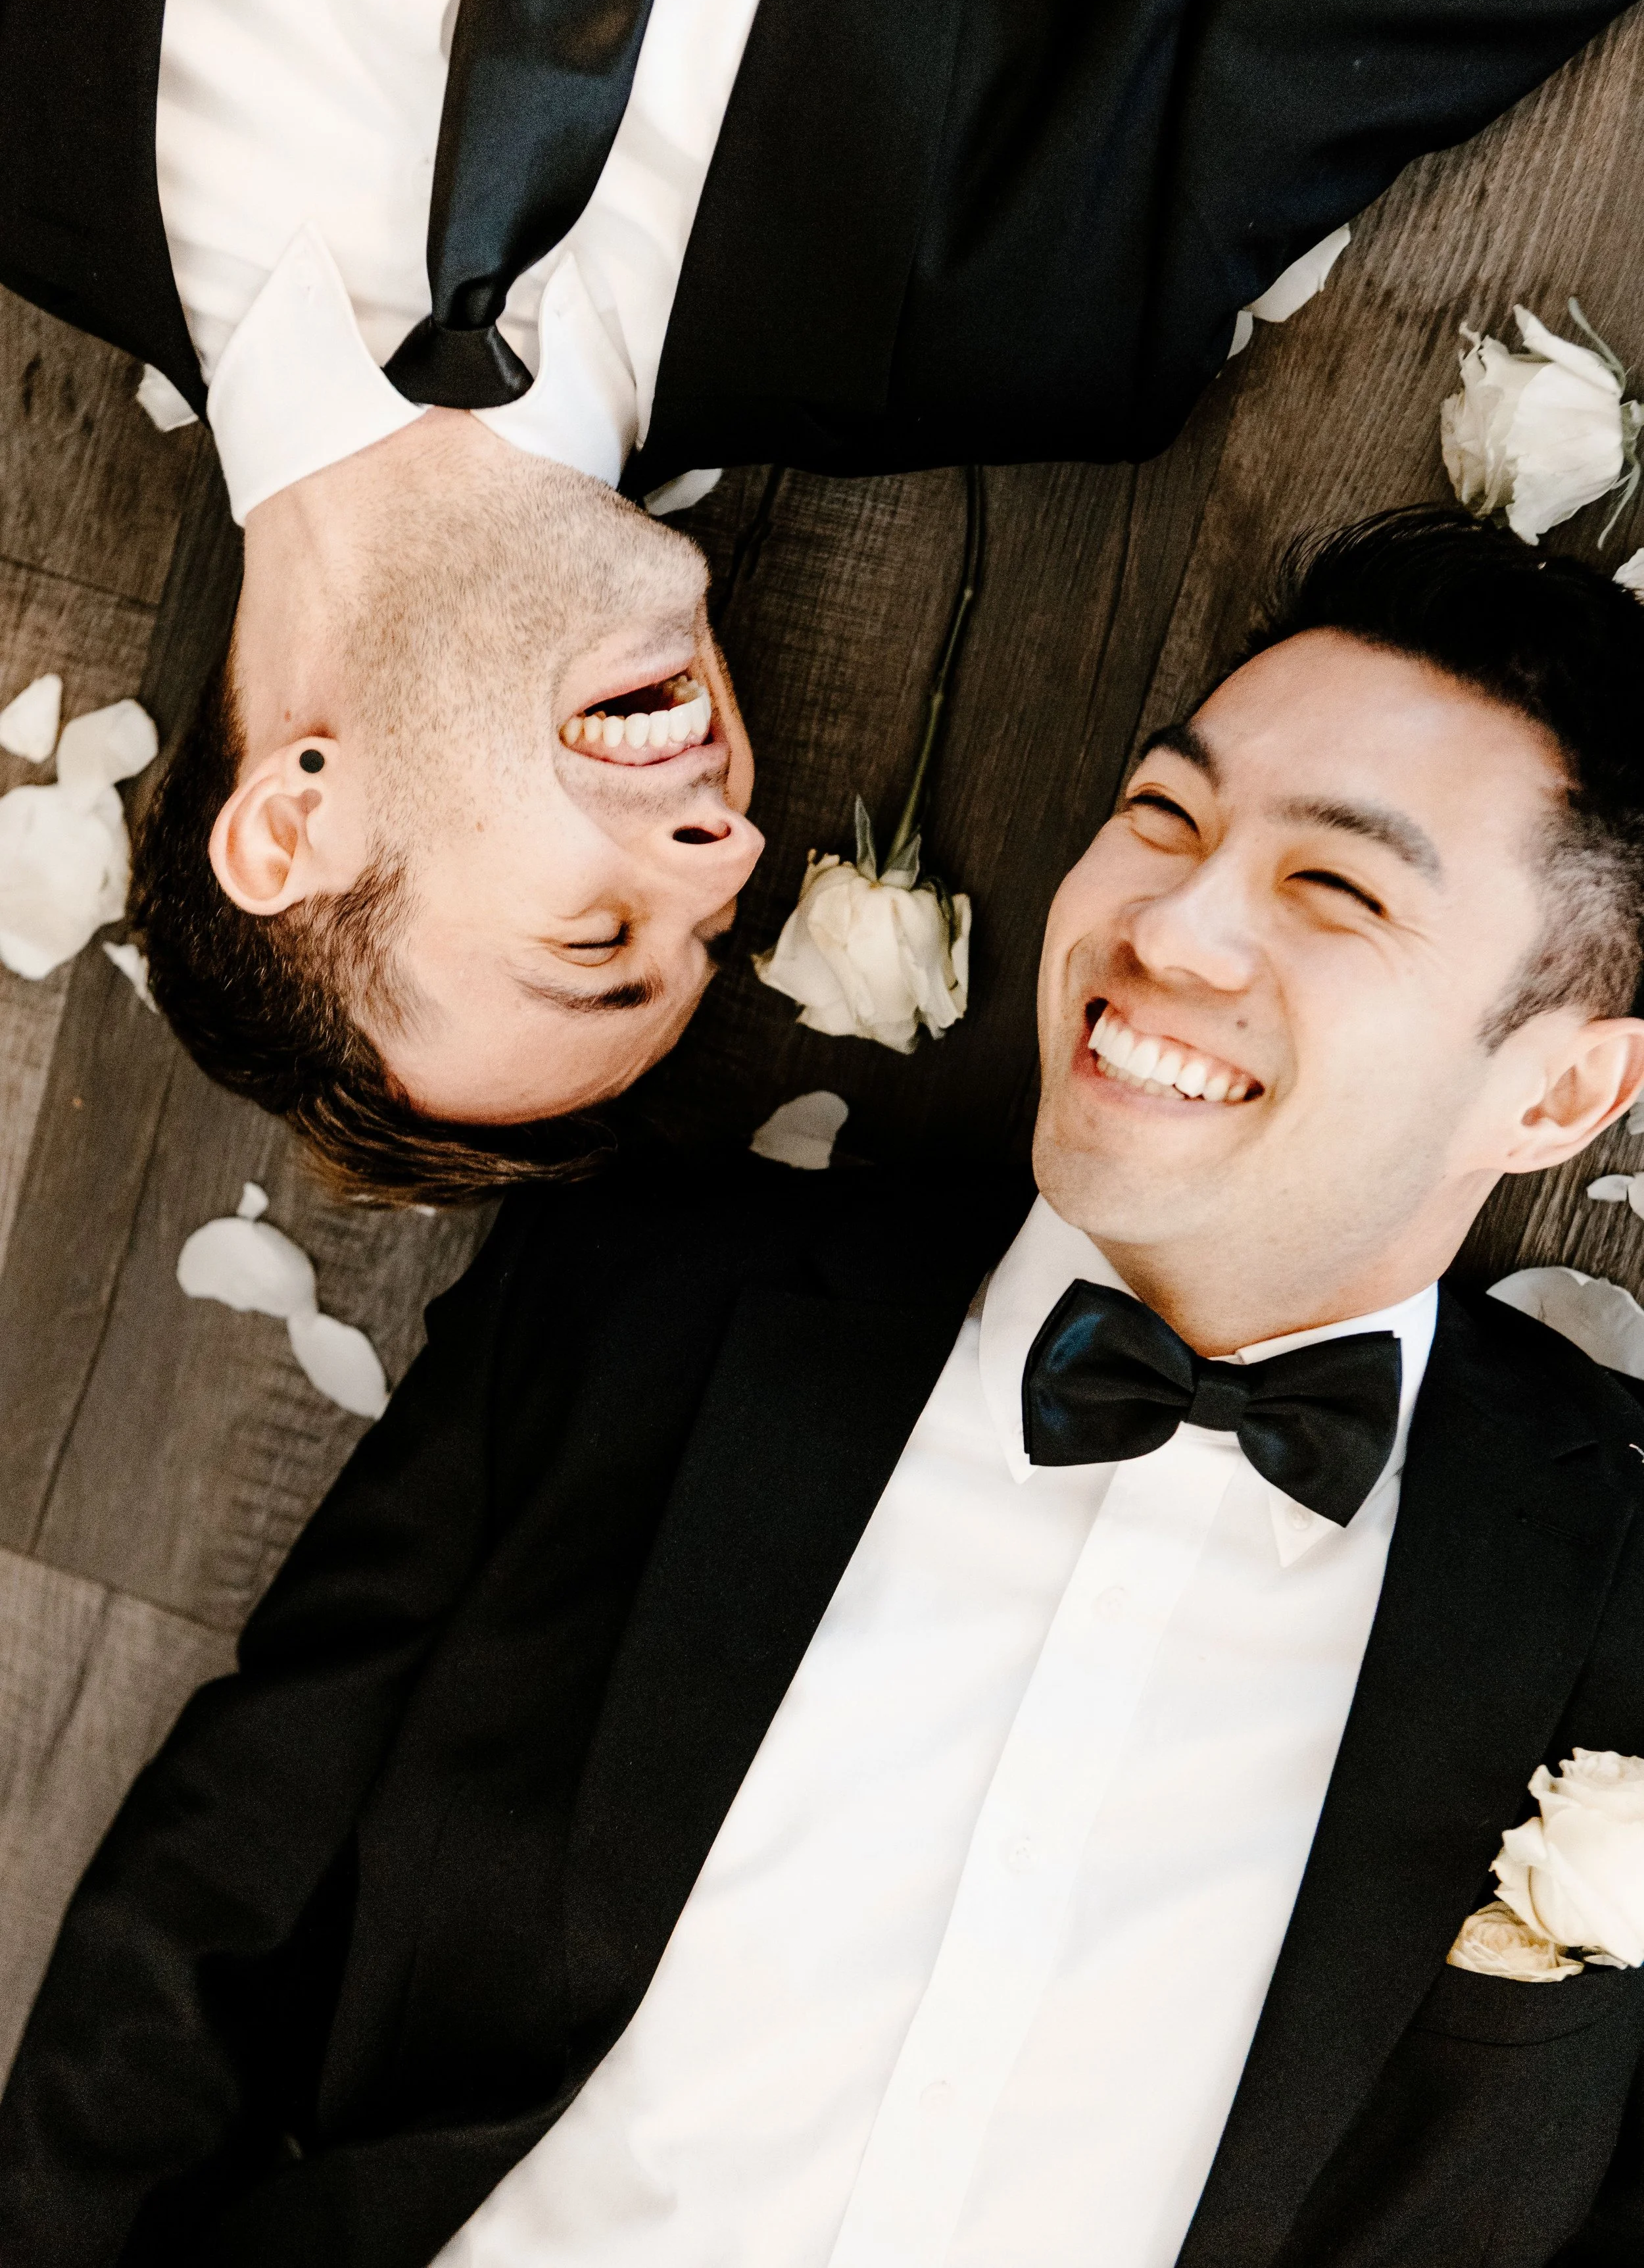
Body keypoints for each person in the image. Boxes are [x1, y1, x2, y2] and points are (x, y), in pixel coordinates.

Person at [6, 508, 1644, 2265]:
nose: (1168, 921)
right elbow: (208, 1905)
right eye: (1161, 815)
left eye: (1334, 889)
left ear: (1557, 1094)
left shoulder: (1611, 1586)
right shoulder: (642, 1305)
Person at [3, 0, 1644, 1197]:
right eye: (710, 928)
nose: (725, 851)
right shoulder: (1038, 304)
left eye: (595, 941)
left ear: (293, 825)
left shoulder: (31, 105)